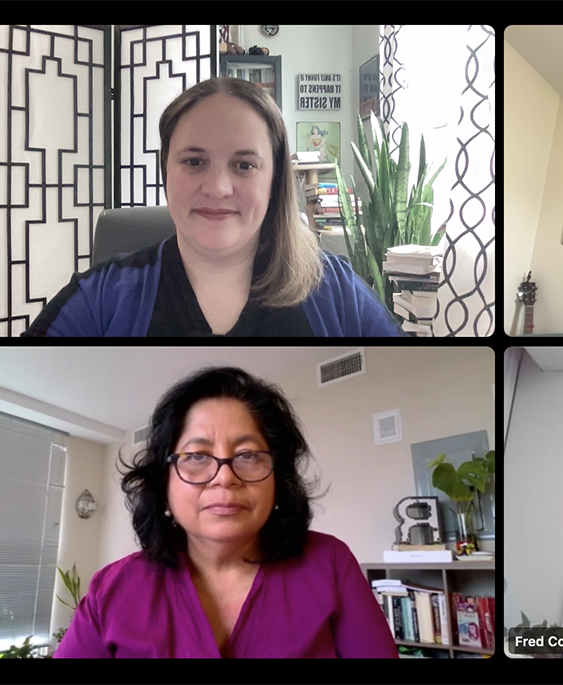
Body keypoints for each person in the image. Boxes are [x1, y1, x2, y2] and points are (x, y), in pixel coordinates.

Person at [54, 366, 398, 658]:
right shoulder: (111, 591)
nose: (225, 478)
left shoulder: (329, 563)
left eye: (248, 455)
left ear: (278, 477)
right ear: (164, 482)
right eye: (197, 456)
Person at [22, 77, 403, 337]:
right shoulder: (101, 298)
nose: (219, 188)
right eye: (194, 161)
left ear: (274, 179)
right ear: (165, 173)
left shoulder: (337, 292)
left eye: (244, 165)